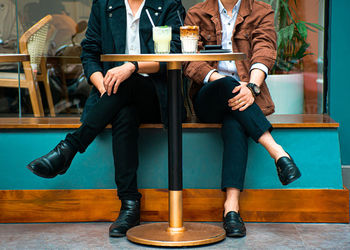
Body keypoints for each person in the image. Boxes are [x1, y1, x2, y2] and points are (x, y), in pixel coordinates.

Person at [26, 0, 184, 237]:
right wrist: (104, 87)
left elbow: (175, 54)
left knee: (126, 79)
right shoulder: (105, 4)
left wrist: (131, 67)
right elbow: (89, 52)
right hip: (112, 93)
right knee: (124, 112)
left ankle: (69, 147)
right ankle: (129, 206)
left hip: (156, 95)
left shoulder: (168, 4)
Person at [183, 0, 301, 237]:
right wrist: (230, 84)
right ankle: (277, 151)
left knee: (234, 121)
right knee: (227, 84)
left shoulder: (261, 10)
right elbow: (190, 59)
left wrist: (252, 87)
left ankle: (231, 208)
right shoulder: (197, 12)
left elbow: (265, 49)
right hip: (209, 95)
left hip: (247, 96)